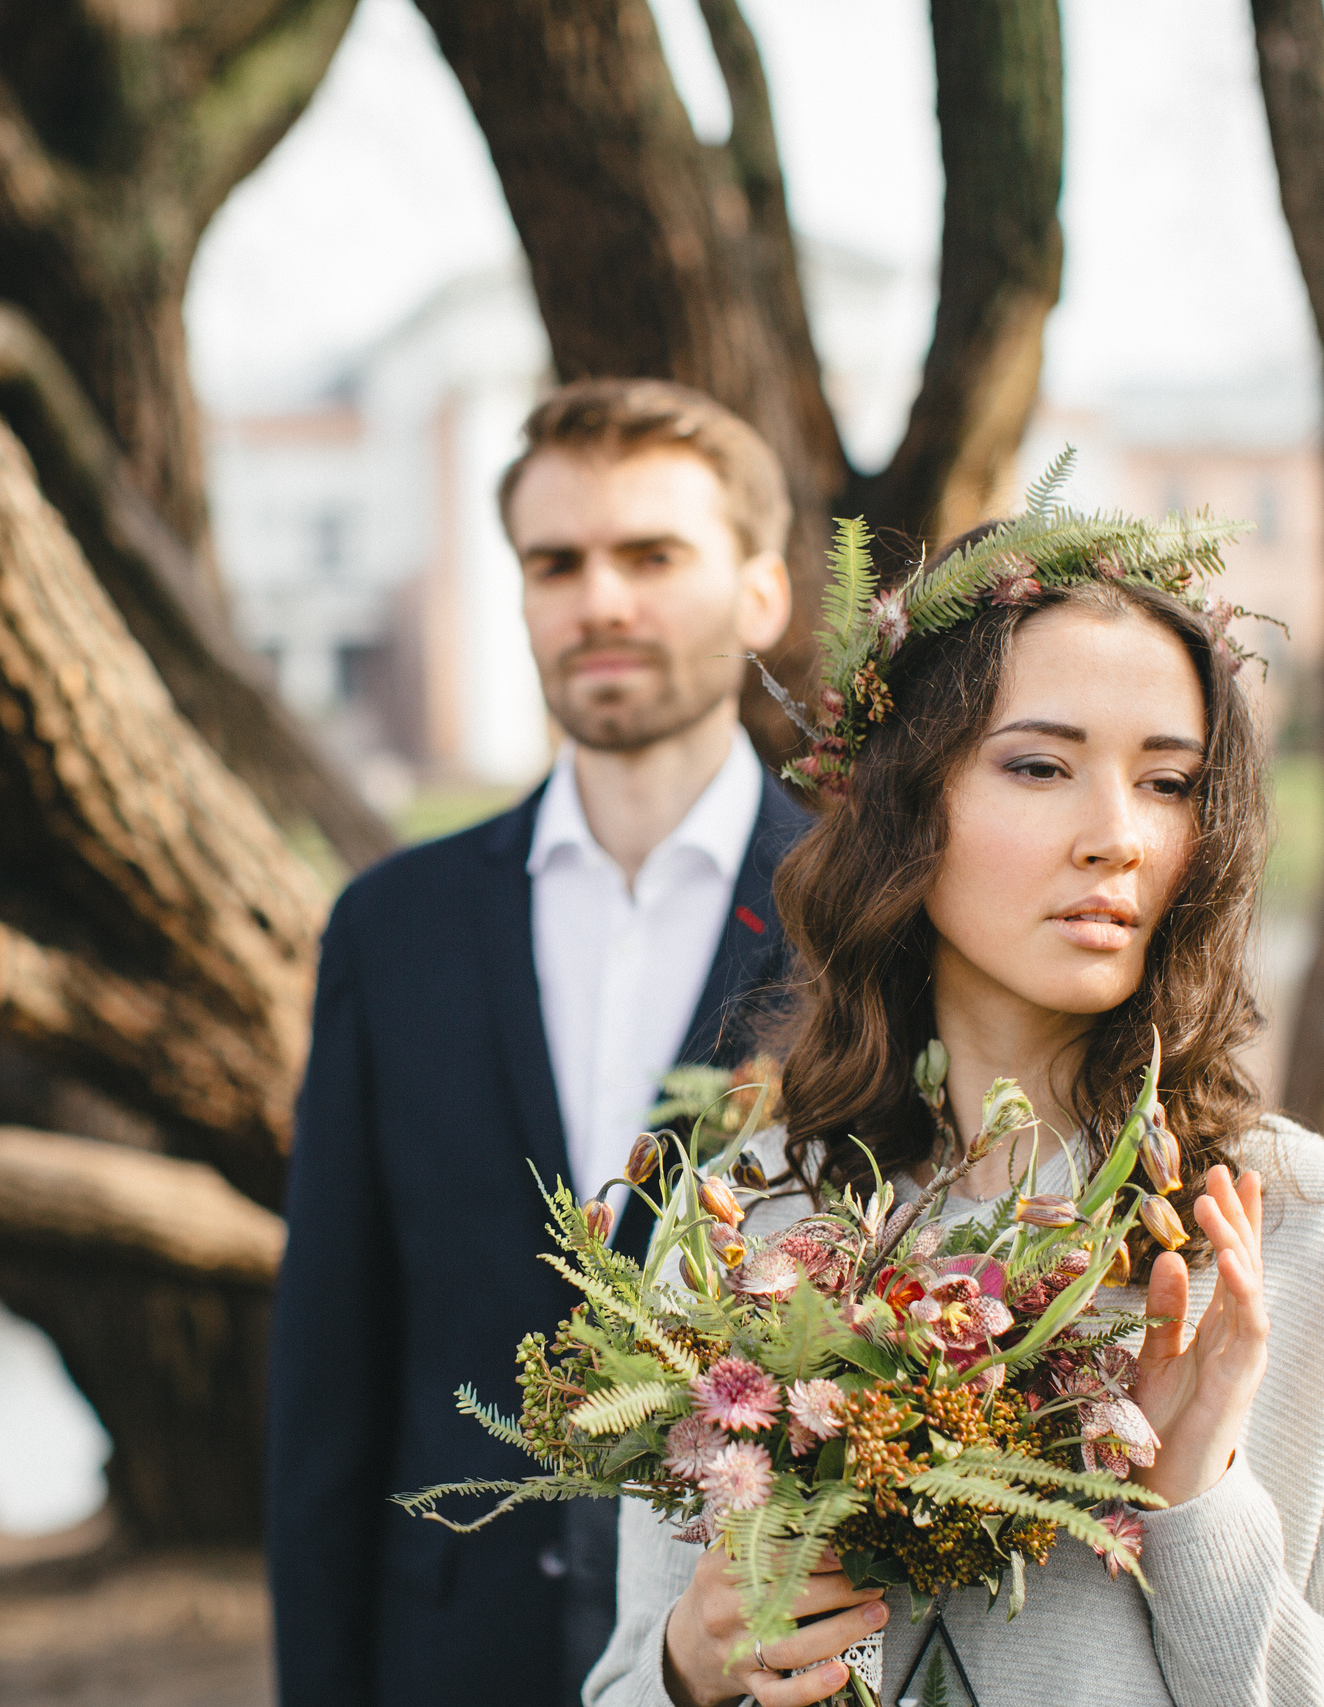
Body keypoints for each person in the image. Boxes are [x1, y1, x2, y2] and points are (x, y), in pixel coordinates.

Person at [586, 518, 1324, 1706]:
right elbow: (625, 1687)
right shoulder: (746, 1213)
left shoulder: (1309, 1234)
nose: (1115, 838)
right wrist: (696, 1663)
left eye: (1168, 783)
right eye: (1040, 767)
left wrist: (1200, 1509)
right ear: (907, 800)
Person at [268, 379, 817, 1706]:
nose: (602, 600)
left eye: (652, 555)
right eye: (556, 561)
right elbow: (330, 1367)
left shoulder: (860, 915)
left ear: (761, 594)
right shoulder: (392, 926)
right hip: (452, 1651)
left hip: (760, 1657)